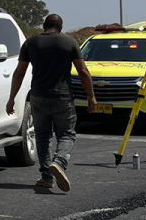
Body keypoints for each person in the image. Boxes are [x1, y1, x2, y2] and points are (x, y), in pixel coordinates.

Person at [7, 13, 96, 192]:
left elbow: (19, 73)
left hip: (38, 97)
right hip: (63, 97)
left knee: (42, 136)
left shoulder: (30, 43)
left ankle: (46, 177)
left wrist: (11, 98)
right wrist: (90, 96)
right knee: (67, 134)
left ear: (44, 26)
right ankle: (59, 161)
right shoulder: (69, 42)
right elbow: (83, 71)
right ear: (61, 28)